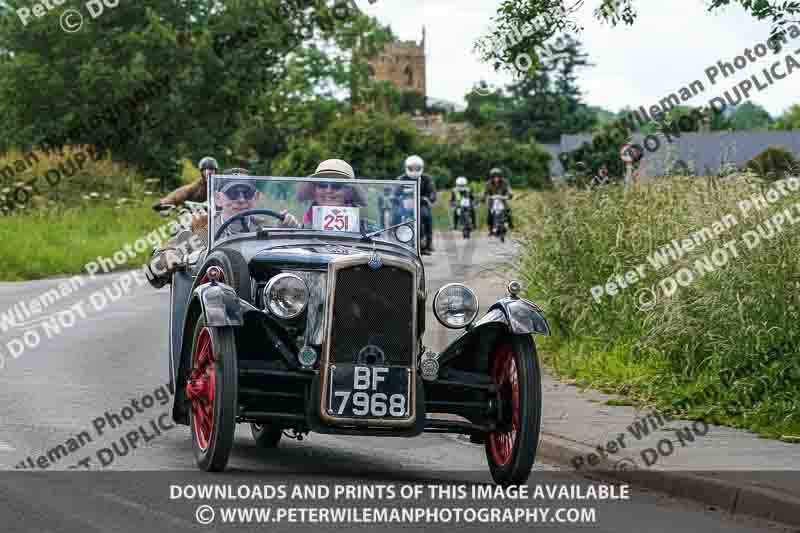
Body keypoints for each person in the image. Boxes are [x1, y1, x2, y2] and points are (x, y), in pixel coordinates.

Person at [295, 159, 365, 228]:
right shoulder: (299, 225)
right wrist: (289, 226)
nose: (328, 190)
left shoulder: (368, 230)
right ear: (314, 190)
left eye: (337, 185)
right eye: (322, 184)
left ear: (349, 191)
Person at [397, 155, 436, 254]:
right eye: (412, 168)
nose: (414, 170)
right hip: (405, 205)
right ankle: (394, 240)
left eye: (417, 168)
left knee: (426, 216)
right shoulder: (401, 179)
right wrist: (393, 197)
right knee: (394, 216)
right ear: (407, 167)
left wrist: (430, 198)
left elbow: (432, 192)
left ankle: (428, 242)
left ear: (421, 167)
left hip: (421, 204)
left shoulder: (427, 179)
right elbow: (394, 191)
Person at [152, 156, 218, 211]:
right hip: (198, 216)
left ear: (215, 171)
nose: (209, 172)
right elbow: (180, 193)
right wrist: (163, 202)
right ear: (201, 172)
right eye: (205, 170)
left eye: (212, 170)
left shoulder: (220, 185)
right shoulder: (197, 186)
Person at [484, 167, 513, 231]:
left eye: (498, 177)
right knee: (489, 214)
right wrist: (486, 197)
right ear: (491, 177)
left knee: (508, 211)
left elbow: (509, 190)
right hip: (492, 201)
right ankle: (490, 228)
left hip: (502, 200)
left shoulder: (505, 182)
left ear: (500, 177)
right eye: (494, 177)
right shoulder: (488, 184)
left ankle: (510, 225)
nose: (496, 178)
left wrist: (509, 195)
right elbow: (485, 193)